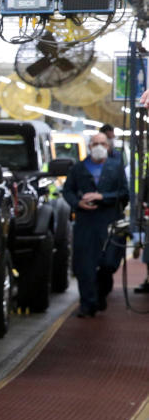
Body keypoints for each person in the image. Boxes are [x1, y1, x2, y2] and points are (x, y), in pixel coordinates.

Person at [62, 131, 129, 317]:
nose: (99, 147)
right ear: (89, 146)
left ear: (108, 146)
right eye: (94, 143)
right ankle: (87, 304)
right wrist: (78, 203)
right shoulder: (78, 168)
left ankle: (100, 293)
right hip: (86, 222)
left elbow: (124, 194)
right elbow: (67, 191)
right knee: (85, 265)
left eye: (103, 143)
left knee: (108, 263)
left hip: (109, 222)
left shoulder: (116, 168)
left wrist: (102, 197)